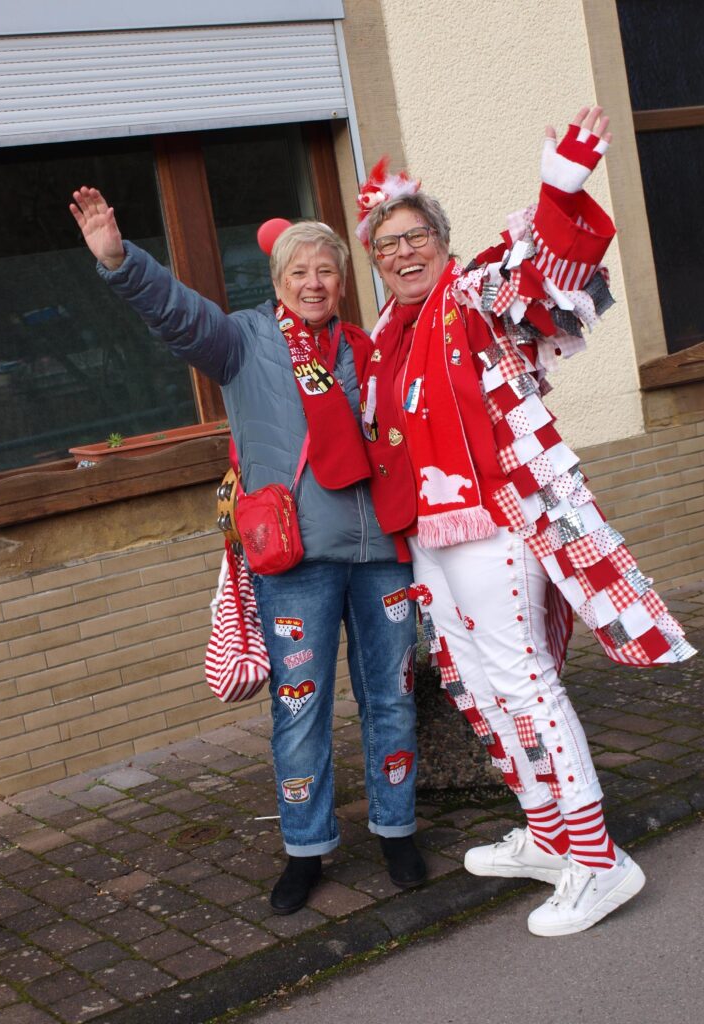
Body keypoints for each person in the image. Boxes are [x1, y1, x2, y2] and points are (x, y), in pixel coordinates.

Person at [353, 106, 696, 937]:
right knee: (474, 683)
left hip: (495, 521)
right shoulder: (388, 332)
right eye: (387, 244)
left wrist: (559, 190)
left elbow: (539, 275)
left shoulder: (471, 295)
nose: (403, 251)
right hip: (428, 536)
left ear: (440, 240)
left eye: (415, 236)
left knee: (523, 680)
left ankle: (599, 860)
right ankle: (547, 834)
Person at [69, 189, 426, 914]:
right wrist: (120, 260)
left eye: (326, 269)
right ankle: (306, 848)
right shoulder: (242, 342)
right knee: (300, 711)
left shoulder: (365, 348)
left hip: (383, 553)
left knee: (392, 698)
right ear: (278, 279)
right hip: (296, 561)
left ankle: (396, 830)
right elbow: (176, 312)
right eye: (300, 272)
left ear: (342, 279)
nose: (314, 283)